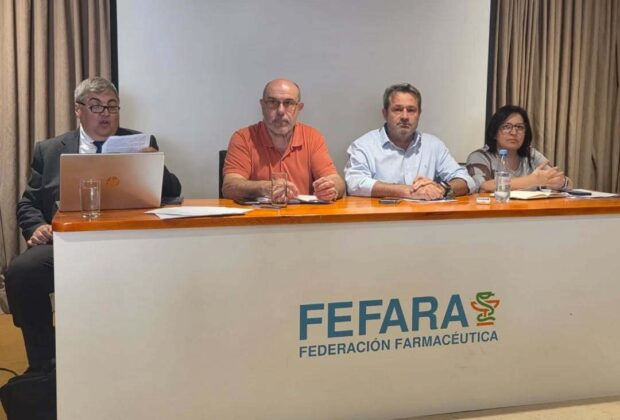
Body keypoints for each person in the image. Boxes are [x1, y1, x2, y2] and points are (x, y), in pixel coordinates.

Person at [5, 77, 182, 373]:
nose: (105, 114)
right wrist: (36, 227)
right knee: (21, 273)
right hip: (68, 245)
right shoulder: (50, 150)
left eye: (112, 106)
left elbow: (174, 193)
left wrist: (155, 165)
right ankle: (44, 363)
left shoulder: (141, 143)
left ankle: (149, 357)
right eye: (96, 106)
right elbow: (28, 204)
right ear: (78, 110)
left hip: (128, 244)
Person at [345, 83, 475, 199]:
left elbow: (466, 180)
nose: (405, 116)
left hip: (425, 217)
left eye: (411, 110)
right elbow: (354, 183)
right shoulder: (364, 145)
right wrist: (408, 191)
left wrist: (441, 188)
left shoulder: (434, 145)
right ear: (385, 113)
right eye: (397, 109)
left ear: (419, 114)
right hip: (382, 217)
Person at [222, 78, 345, 202]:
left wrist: (330, 188)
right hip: (259, 214)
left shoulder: (312, 137)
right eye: (272, 102)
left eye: (288, 103)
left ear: (299, 108)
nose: (280, 111)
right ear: (262, 105)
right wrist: (264, 188)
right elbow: (229, 186)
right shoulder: (243, 138)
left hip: (303, 214)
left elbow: (337, 181)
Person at [466, 105, 573, 192]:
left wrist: (562, 183)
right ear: (494, 132)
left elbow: (566, 182)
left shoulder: (531, 154)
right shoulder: (480, 157)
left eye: (519, 127)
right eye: (506, 127)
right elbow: (484, 186)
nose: (514, 132)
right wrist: (532, 180)